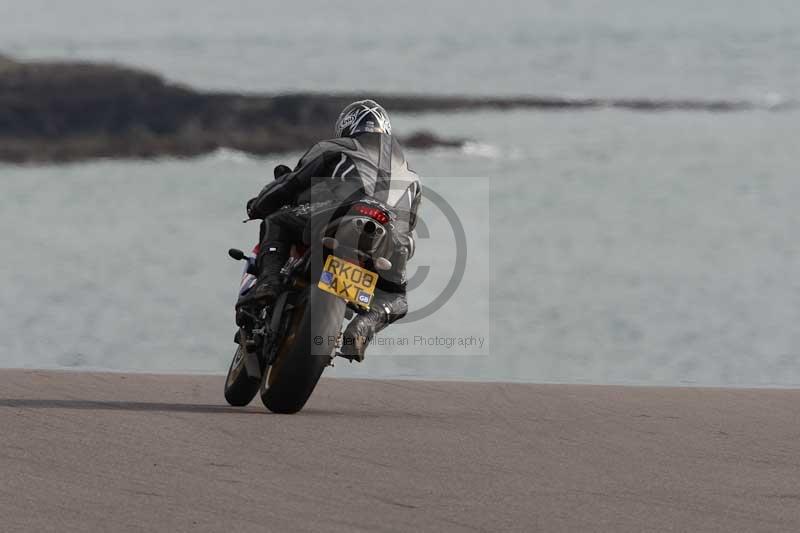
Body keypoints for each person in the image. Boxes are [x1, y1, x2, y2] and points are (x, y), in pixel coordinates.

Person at [241, 100, 421, 361]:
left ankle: (268, 282)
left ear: (347, 126)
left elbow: (292, 182)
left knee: (277, 222)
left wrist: (259, 205)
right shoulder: (412, 177)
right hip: (387, 240)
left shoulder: (335, 147)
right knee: (396, 297)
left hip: (342, 216)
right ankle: (364, 325)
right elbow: (409, 227)